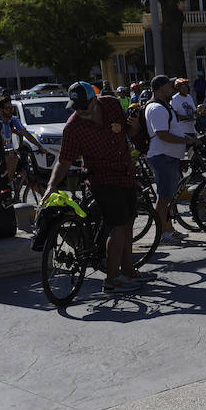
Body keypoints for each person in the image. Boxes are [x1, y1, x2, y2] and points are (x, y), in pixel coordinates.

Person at [42, 82, 153, 294]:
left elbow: (129, 131)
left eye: (84, 105)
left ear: (94, 100)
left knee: (128, 223)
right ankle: (112, 280)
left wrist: (136, 125)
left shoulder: (111, 105)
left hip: (125, 172)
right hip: (102, 179)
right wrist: (52, 185)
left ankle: (129, 271)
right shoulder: (73, 127)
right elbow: (64, 159)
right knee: (118, 227)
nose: (80, 110)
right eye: (76, 106)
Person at [144, 76, 196, 245]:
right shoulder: (156, 108)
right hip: (162, 156)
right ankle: (162, 234)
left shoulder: (163, 106)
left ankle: (169, 229)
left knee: (167, 197)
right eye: (168, 85)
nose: (172, 87)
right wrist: (186, 141)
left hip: (168, 156)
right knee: (163, 198)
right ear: (160, 88)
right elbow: (162, 134)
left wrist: (184, 137)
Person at [0, 95, 44, 194]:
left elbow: (25, 133)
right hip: (1, 157)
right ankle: (9, 188)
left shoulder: (13, 119)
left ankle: (46, 200)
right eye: (7, 108)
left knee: (29, 176)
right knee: (12, 160)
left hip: (12, 154)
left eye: (11, 108)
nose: (11, 110)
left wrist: (39, 146)